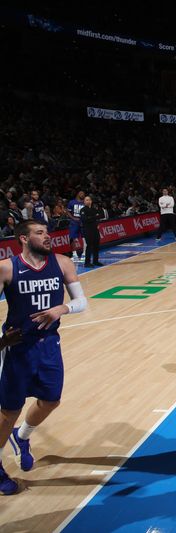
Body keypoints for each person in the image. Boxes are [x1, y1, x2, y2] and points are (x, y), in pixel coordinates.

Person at [0, 219, 88, 495]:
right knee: (9, 410)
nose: (47, 236)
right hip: (17, 347)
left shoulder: (62, 263)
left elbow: (81, 302)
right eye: (39, 233)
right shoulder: (6, 268)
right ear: (23, 239)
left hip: (49, 344)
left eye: (47, 232)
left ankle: (22, 436)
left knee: (51, 400)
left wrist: (62, 309)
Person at [79, 195, 102, 268]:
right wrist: (94, 217)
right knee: (89, 246)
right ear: (84, 202)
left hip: (95, 229)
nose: (88, 201)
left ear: (91, 201)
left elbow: (99, 216)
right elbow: (84, 219)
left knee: (96, 246)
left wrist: (94, 219)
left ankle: (95, 261)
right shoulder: (83, 210)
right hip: (88, 230)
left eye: (89, 200)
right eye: (86, 200)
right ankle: (87, 263)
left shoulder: (94, 209)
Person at [66, 191, 85, 263]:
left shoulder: (85, 202)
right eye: (81, 193)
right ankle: (74, 255)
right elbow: (68, 212)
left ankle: (84, 254)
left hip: (83, 222)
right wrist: (73, 218)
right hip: (74, 223)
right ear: (77, 194)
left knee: (85, 239)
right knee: (72, 238)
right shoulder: (72, 202)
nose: (82, 195)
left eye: (83, 194)